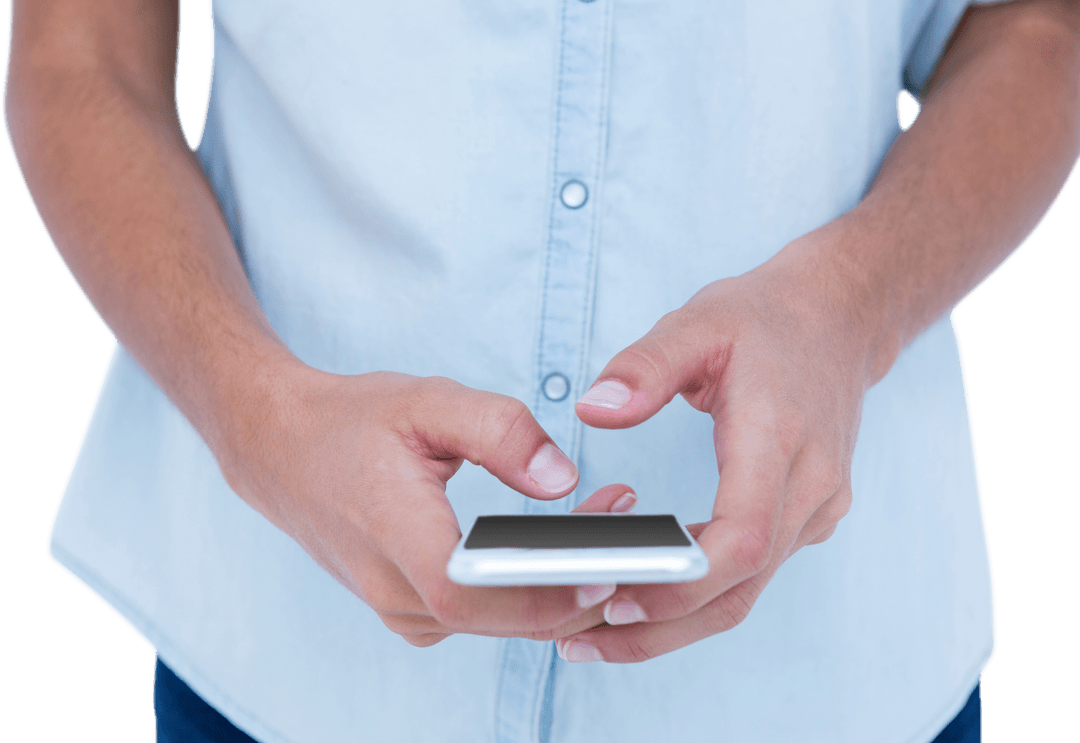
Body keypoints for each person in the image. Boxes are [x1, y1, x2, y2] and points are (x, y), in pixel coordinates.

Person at [4, 0, 1078, 740]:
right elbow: (78, 51)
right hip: (293, 656)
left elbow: (1040, 26)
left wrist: (852, 302)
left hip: (825, 671)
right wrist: (260, 414)